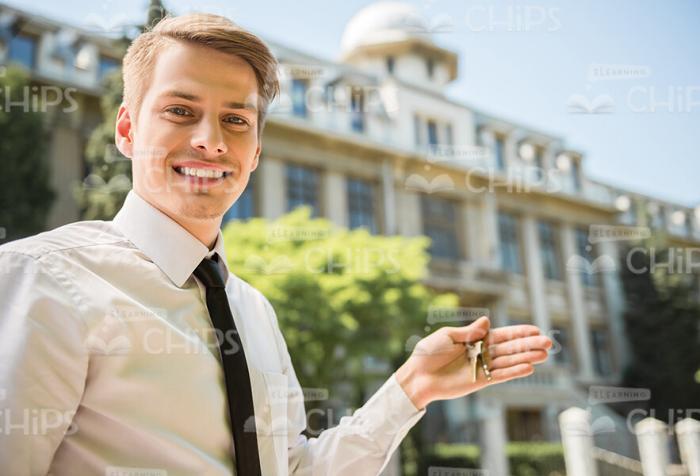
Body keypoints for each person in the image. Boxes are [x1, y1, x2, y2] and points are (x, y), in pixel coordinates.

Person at [0, 13, 552, 475]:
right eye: (179, 111)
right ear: (126, 130)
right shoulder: (42, 279)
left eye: (236, 120)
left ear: (256, 153)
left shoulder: (253, 311)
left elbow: (291, 469)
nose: (211, 141)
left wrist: (414, 386)